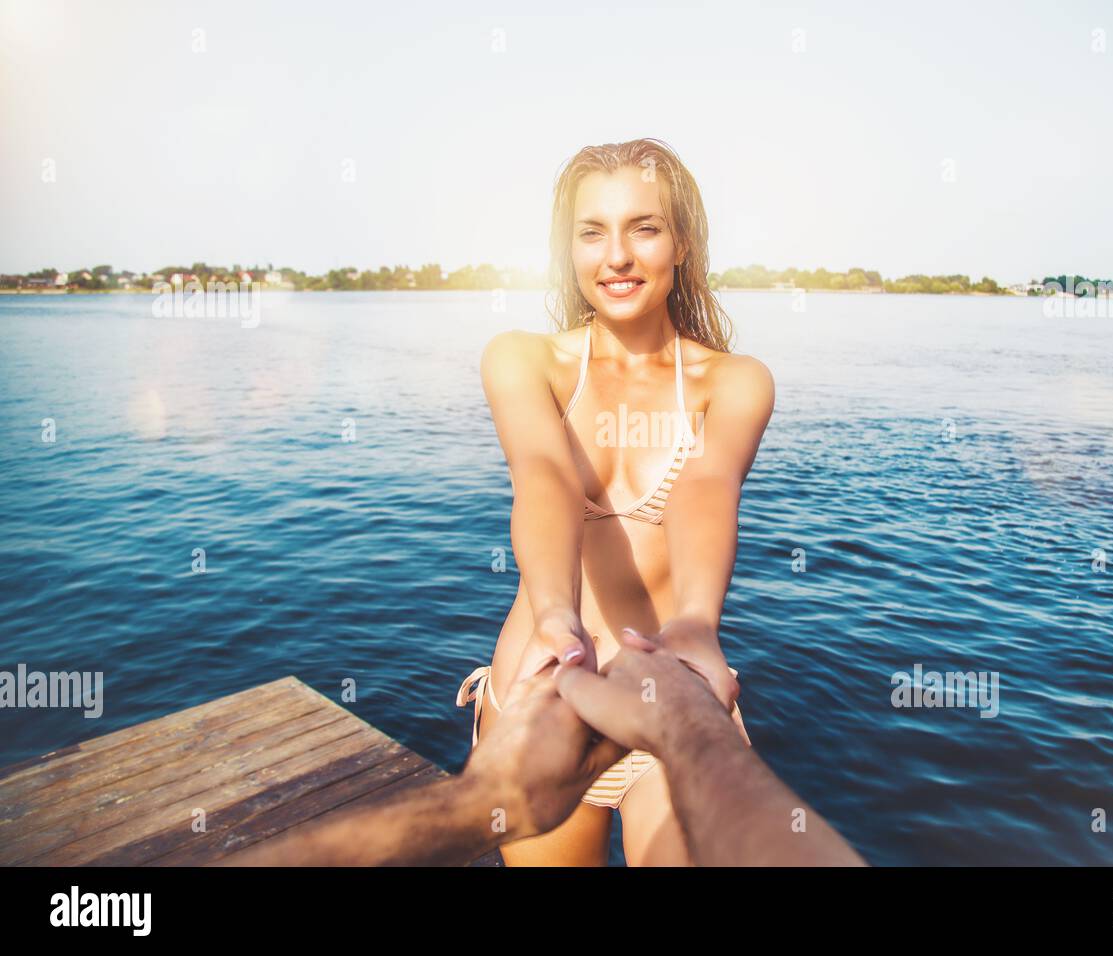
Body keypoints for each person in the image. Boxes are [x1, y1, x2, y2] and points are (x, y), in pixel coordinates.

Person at [460, 136, 776, 865]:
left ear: (683, 243)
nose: (618, 256)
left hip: (670, 693)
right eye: (592, 232)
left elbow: (706, 484)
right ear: (567, 251)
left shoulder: (734, 382)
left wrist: (697, 621)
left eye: (645, 227)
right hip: (545, 688)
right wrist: (553, 617)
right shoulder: (521, 360)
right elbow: (544, 477)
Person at [218, 629, 865, 867]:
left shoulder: (719, 384)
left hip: (661, 702)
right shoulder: (535, 370)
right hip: (561, 703)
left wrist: (475, 805)